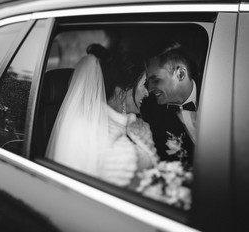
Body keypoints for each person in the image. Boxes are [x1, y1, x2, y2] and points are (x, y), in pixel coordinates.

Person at [46, 44, 157, 186]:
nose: (148, 92)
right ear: (123, 90)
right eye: (145, 84)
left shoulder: (136, 123)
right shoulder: (92, 132)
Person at [142, 42, 199, 168]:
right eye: (148, 82)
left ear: (180, 74)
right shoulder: (150, 111)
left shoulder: (220, 88)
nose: (149, 89)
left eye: (156, 80)